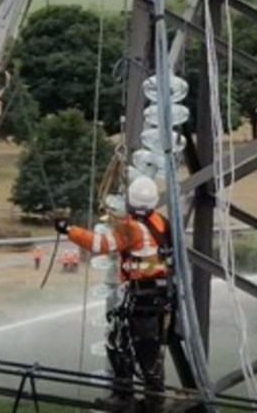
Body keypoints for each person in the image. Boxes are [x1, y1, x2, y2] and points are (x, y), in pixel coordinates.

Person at [55, 176, 172, 411]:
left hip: (141, 295)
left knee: (118, 343)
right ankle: (150, 396)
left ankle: (128, 395)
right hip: (159, 294)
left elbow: (100, 244)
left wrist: (69, 230)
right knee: (147, 344)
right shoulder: (161, 222)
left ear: (131, 200)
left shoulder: (130, 228)